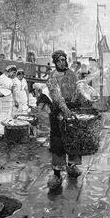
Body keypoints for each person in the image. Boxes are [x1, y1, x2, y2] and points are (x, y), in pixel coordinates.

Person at [47, 50, 82, 191]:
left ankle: (72, 165)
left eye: (64, 60)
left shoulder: (71, 74)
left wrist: (80, 98)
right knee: (58, 142)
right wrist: (65, 109)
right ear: (55, 62)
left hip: (73, 110)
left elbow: (78, 88)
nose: (62, 62)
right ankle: (57, 174)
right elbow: (56, 95)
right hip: (58, 112)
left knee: (73, 139)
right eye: (59, 60)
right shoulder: (52, 77)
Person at [0, 65, 17, 136]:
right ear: (9, 71)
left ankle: (6, 130)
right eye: (13, 73)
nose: (14, 75)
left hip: (8, 98)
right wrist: (0, 93)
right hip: (1, 98)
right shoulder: (2, 77)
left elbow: (10, 90)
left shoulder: (11, 79)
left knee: (8, 113)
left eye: (15, 73)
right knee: (0, 114)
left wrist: (12, 88)